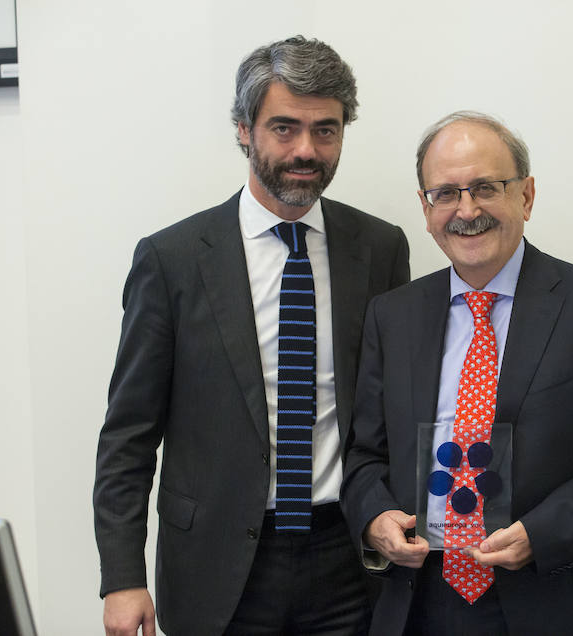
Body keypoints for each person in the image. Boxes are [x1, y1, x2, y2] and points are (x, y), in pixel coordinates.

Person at [93, 35, 410, 635]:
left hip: (348, 561)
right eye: (284, 128)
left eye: (326, 130)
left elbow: (390, 407)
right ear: (244, 129)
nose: (306, 149)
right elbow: (129, 434)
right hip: (217, 565)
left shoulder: (380, 248)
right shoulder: (173, 259)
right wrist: (121, 576)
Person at [340, 111, 573, 635]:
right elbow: (366, 452)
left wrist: (543, 533)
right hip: (423, 603)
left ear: (526, 196)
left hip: (563, 601)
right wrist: (374, 518)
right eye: (446, 193)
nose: (466, 210)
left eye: (485, 187)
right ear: (425, 207)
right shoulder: (392, 316)